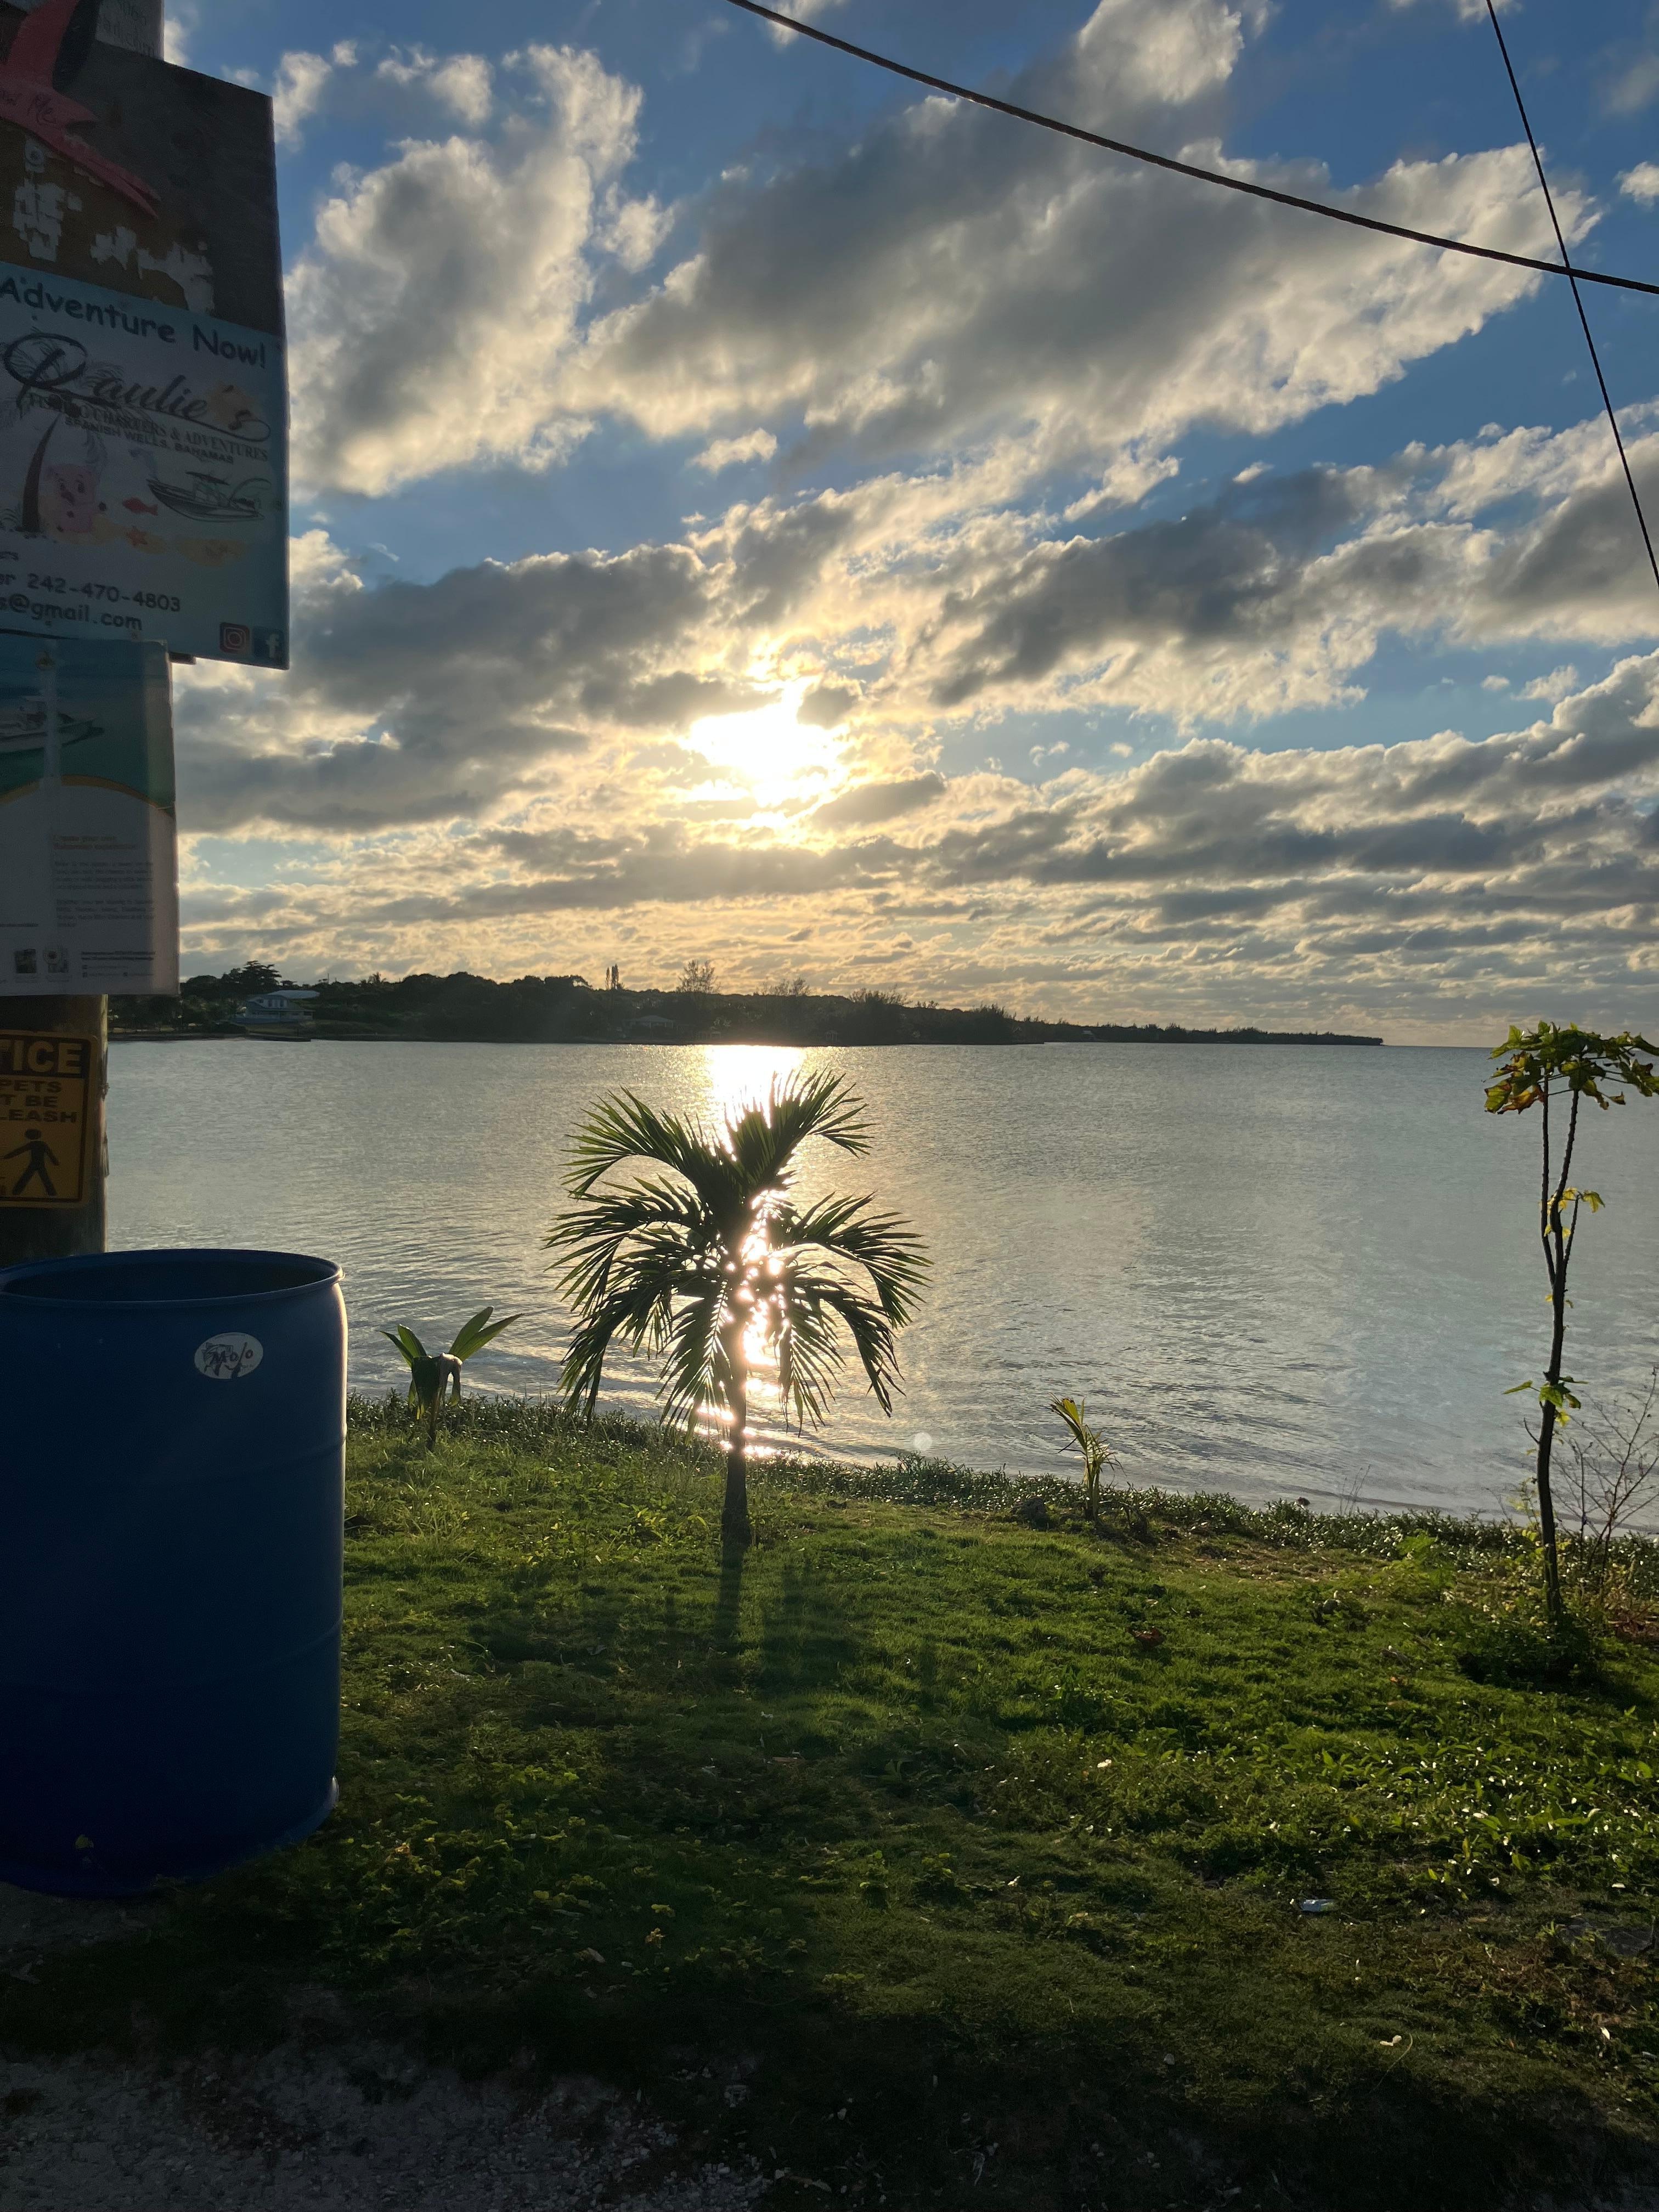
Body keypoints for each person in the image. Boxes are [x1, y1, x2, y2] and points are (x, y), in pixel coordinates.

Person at [3, 1126, 58, 1198]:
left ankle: (16, 1192)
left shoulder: (33, 1144)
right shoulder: (43, 1144)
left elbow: (20, 1151)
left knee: (27, 1177)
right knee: (44, 1178)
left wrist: (7, 1157)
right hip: (40, 1164)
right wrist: (55, 1162)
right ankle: (52, 1193)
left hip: (34, 1164)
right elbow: (50, 1154)